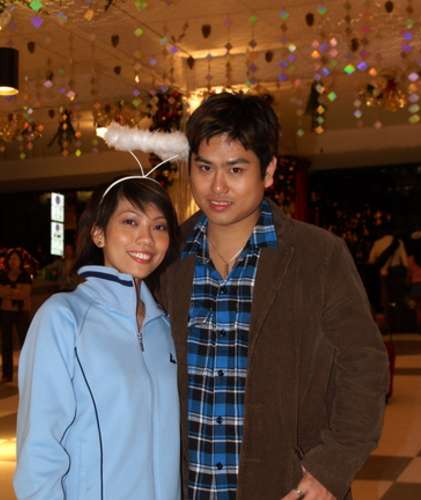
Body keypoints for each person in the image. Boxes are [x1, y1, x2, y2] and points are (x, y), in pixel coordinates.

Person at [157, 93, 389, 500]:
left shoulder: (318, 255)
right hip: (188, 486)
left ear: (268, 172)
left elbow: (364, 365)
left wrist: (332, 467)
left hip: (287, 485)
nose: (217, 186)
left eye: (236, 169)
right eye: (205, 167)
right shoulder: (167, 257)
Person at [14, 178, 181, 500]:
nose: (146, 238)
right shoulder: (63, 317)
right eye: (130, 221)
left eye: (159, 226)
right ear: (98, 233)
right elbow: (39, 447)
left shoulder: (163, 327)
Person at [0, 248, 32, 383]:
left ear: (20, 261)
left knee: (25, 343)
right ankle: (6, 374)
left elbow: (24, 294)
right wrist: (14, 291)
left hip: (22, 312)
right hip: (5, 312)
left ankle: (27, 373)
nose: (13, 261)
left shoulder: (25, 276)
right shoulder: (3, 276)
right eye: (11, 259)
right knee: (6, 344)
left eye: (16, 258)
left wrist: (8, 291)